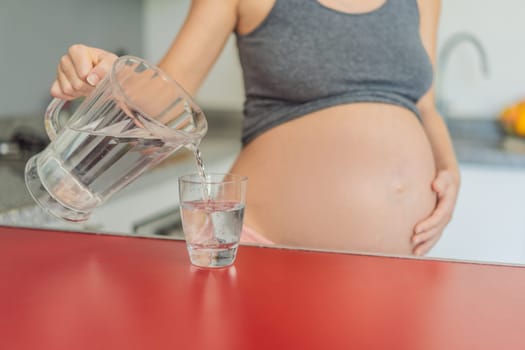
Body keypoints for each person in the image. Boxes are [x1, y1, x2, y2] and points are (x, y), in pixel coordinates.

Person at [50, 0, 460, 256]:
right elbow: (164, 95)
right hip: (267, 249)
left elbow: (425, 103)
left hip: (400, 262)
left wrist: (449, 169)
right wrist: (107, 74)